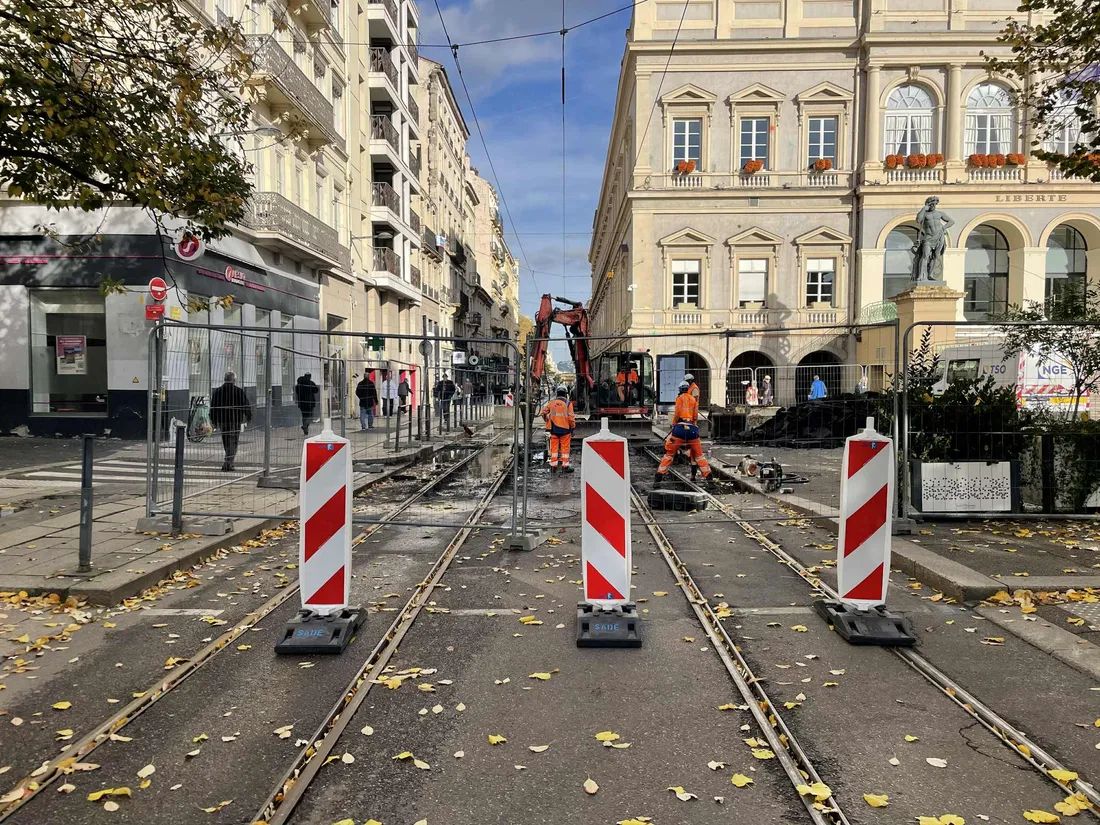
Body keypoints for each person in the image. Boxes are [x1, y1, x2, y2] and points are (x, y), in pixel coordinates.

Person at [656, 381, 712, 483]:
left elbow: (677, 413)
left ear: (680, 389)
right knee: (699, 456)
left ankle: (658, 479)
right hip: (692, 431)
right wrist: (693, 425)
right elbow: (695, 416)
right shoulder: (693, 400)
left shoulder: (679, 398)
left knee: (669, 455)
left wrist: (674, 424)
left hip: (679, 431)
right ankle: (710, 479)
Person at [210, 371, 252, 472]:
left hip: (223, 420)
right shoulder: (239, 391)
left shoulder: (218, 391)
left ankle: (228, 461)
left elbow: (213, 407)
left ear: (225, 379)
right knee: (233, 441)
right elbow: (245, 405)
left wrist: (214, 420)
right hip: (235, 419)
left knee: (226, 440)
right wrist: (248, 416)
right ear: (234, 380)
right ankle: (228, 462)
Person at [540, 385, 576, 473]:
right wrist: (572, 427)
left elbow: (543, 412)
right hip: (565, 430)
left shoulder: (552, 403)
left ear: (557, 393)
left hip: (553, 430)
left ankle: (553, 466)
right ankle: (565, 466)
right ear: (565, 394)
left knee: (554, 449)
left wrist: (546, 419)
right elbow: (571, 418)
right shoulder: (568, 403)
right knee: (565, 449)